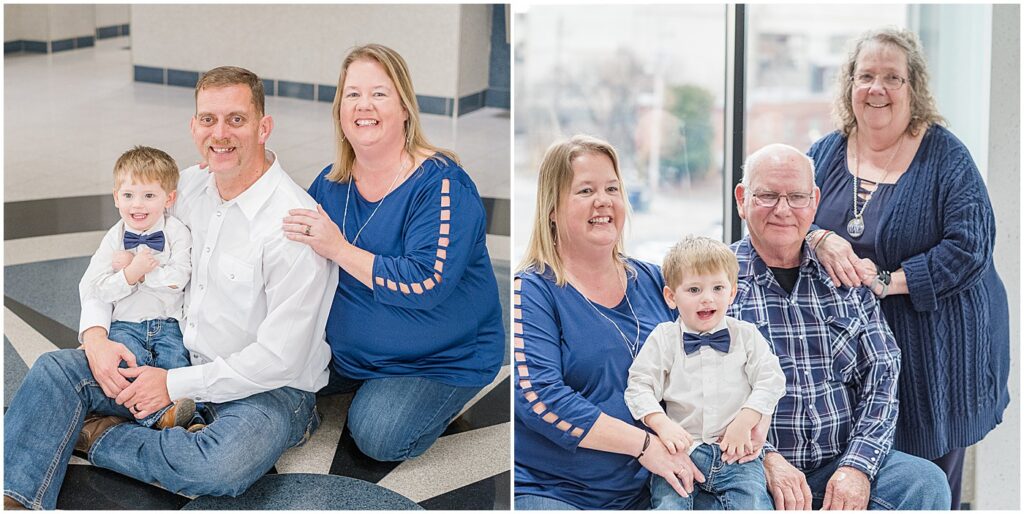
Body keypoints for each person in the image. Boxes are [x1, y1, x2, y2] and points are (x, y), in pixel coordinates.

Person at [3, 66, 336, 510]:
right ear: (193, 126)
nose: (220, 134)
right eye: (207, 120)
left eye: (236, 119)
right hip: (167, 355)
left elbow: (280, 358)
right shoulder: (185, 186)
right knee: (54, 371)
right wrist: (96, 337)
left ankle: (98, 433)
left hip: (267, 388)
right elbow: (104, 266)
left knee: (220, 465)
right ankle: (14, 499)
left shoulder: (293, 222)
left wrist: (172, 384)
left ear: (264, 127)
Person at [805, 27, 1009, 509]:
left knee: (927, 482)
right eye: (866, 76)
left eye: (892, 78)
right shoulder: (827, 152)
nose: (877, 89)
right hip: (857, 354)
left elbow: (970, 248)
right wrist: (821, 237)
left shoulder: (946, 156)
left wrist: (887, 282)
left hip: (939, 350)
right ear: (849, 85)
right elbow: (790, 216)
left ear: (913, 88)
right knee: (864, 475)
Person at [281, 44, 504, 462]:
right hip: (346, 354)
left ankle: (428, 398)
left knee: (379, 435)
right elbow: (290, 251)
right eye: (353, 94)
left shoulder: (441, 185)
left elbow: (426, 282)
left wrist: (339, 249)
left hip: (438, 359)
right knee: (264, 375)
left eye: (379, 93)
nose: (364, 106)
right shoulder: (330, 183)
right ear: (340, 111)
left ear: (404, 108)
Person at [727, 142, 950, 510]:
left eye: (796, 197)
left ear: (813, 202)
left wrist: (857, 467)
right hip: (755, 468)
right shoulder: (717, 284)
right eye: (767, 196)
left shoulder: (843, 276)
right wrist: (765, 459)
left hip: (839, 460)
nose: (783, 210)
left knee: (925, 484)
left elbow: (883, 373)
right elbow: (704, 391)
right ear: (742, 198)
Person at [513, 135, 706, 510]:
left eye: (612, 188)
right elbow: (539, 399)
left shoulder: (656, 282)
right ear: (552, 208)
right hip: (557, 490)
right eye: (585, 190)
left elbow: (703, 368)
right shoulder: (533, 290)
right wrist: (644, 445)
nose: (603, 201)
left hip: (653, 487)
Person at [625, 235, 785, 510]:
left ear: (732, 293)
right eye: (694, 290)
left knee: (754, 504)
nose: (707, 298)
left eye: (718, 288)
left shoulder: (746, 336)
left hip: (737, 455)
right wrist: (662, 425)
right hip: (682, 452)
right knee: (668, 505)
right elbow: (639, 386)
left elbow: (771, 380)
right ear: (671, 296)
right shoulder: (664, 338)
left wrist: (745, 421)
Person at [78, 145, 196, 432]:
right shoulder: (113, 238)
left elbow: (179, 278)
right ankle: (161, 419)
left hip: (168, 324)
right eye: (128, 195)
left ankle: (194, 421)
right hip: (126, 325)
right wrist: (129, 275)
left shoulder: (177, 232)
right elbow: (97, 288)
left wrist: (144, 275)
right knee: (126, 368)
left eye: (149, 196)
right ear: (116, 198)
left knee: (176, 368)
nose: (137, 205)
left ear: (169, 199)